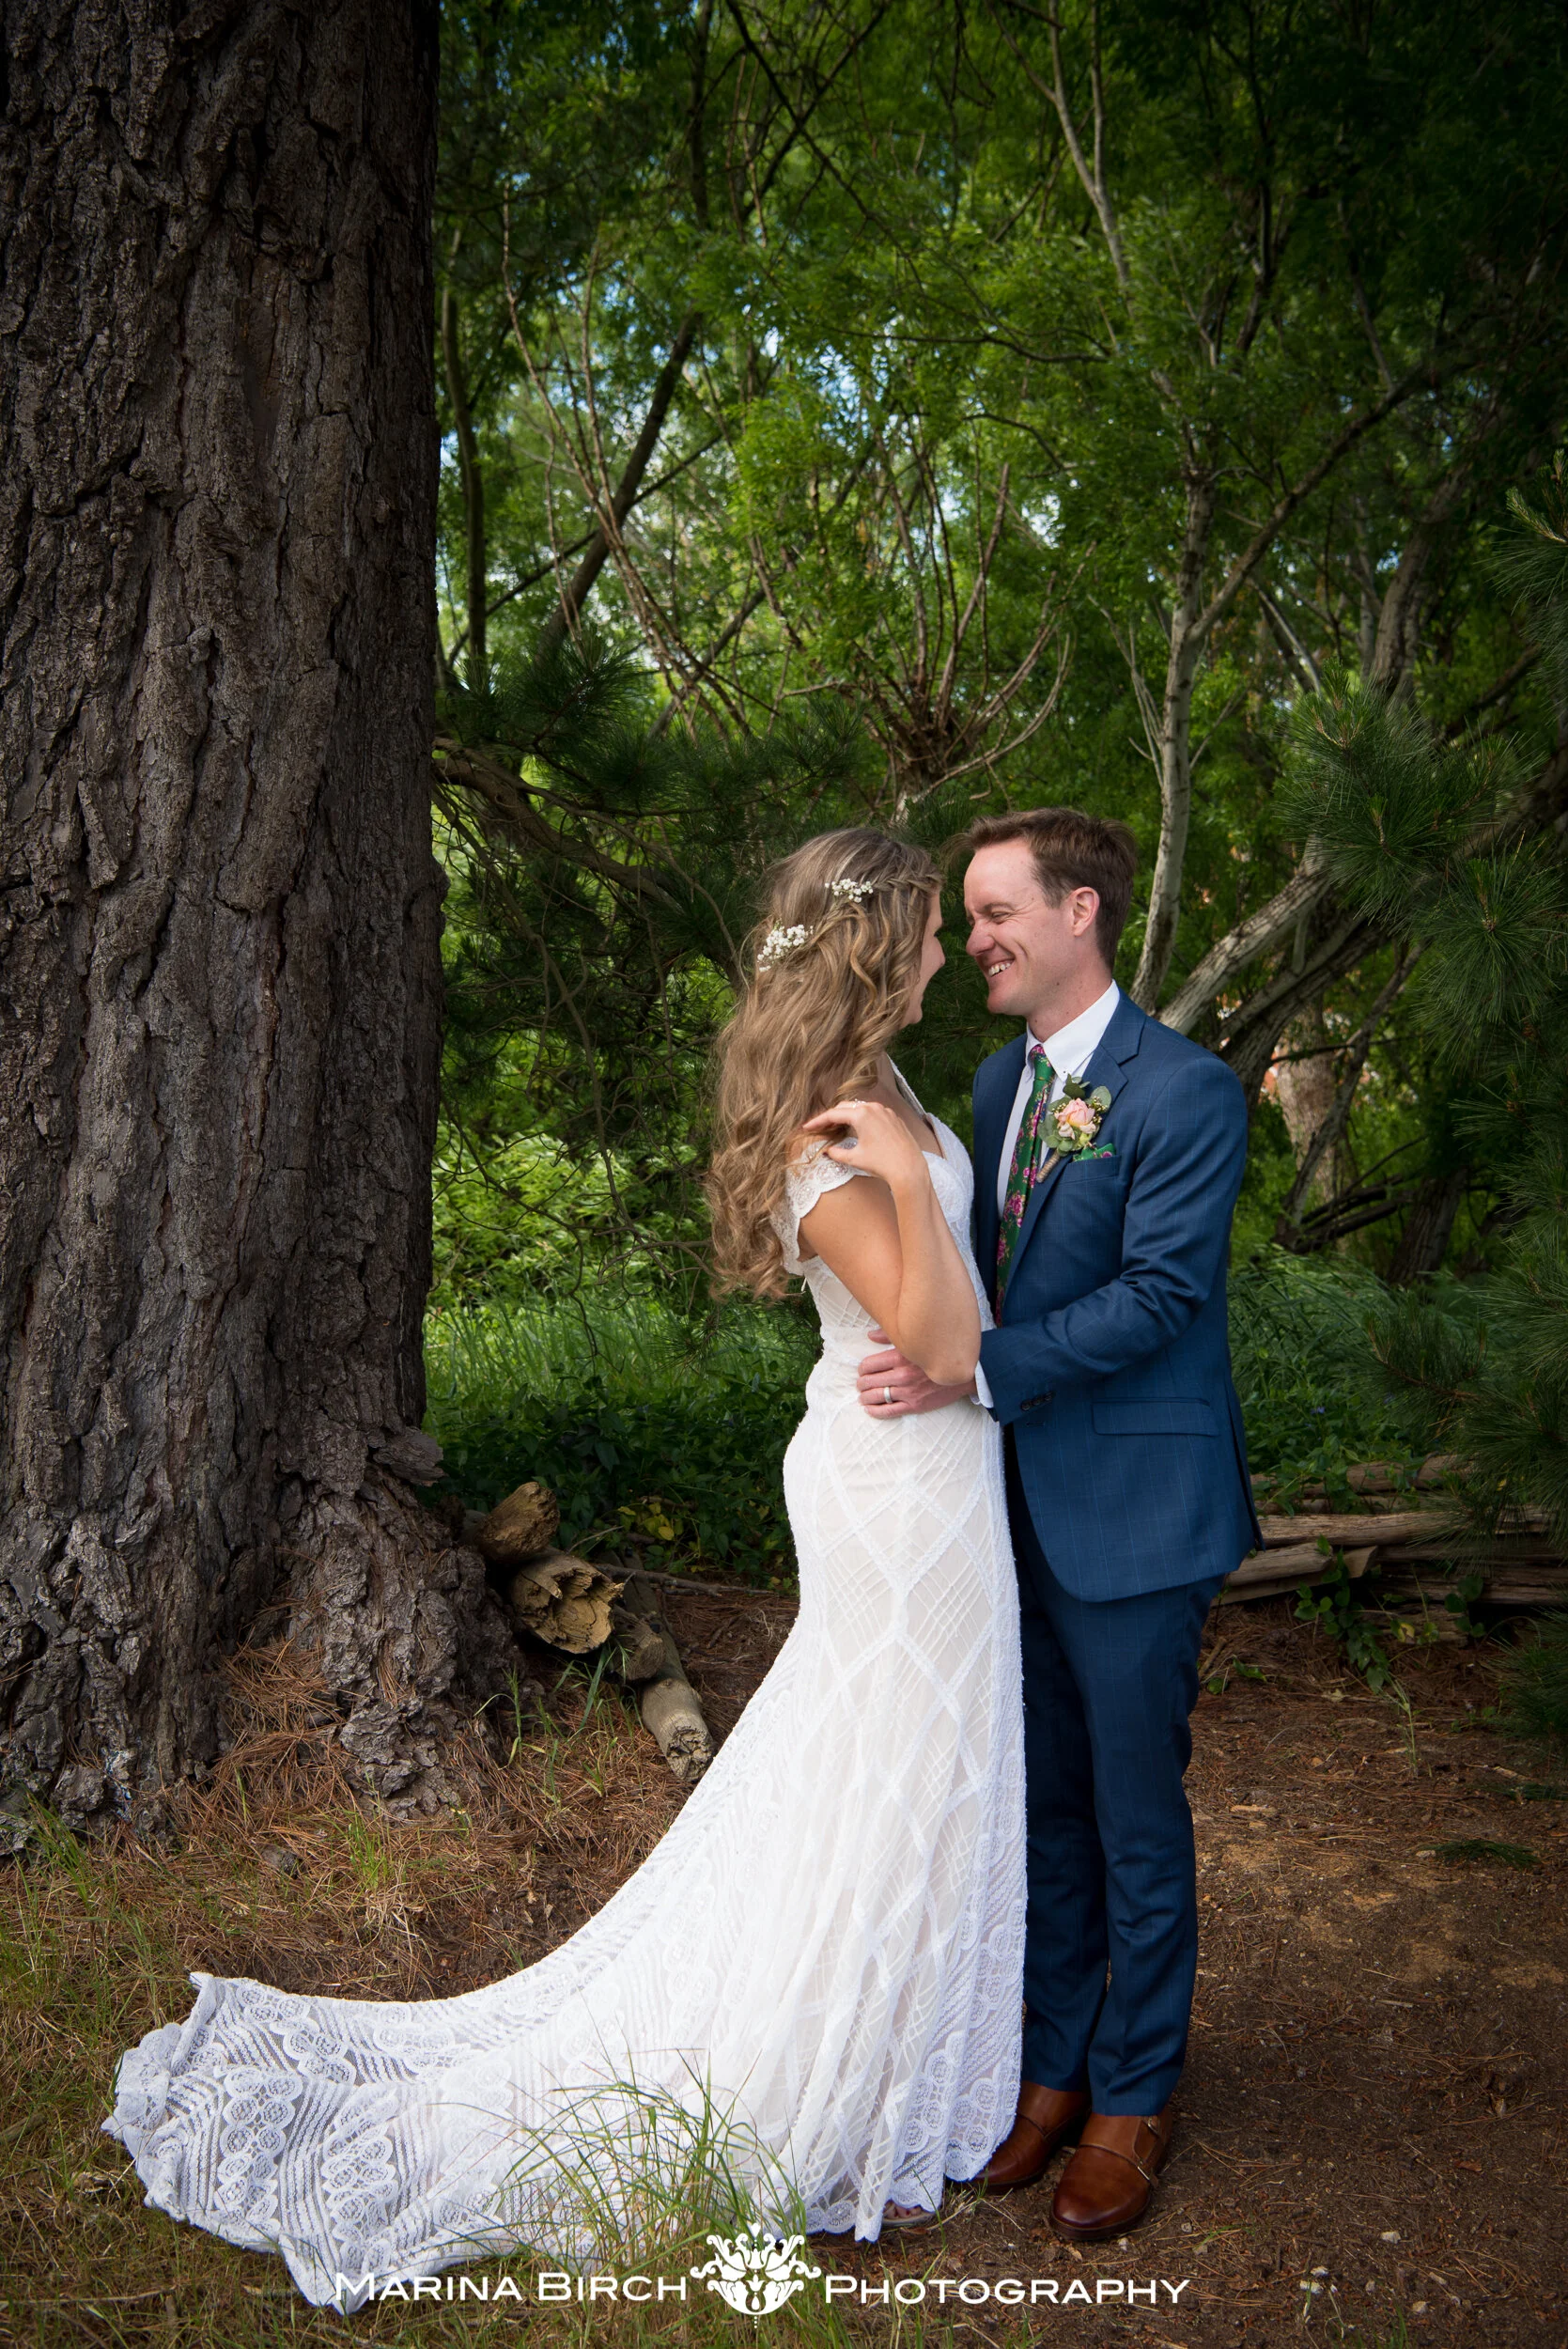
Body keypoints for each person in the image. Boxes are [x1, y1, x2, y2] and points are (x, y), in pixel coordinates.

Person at [103, 827, 1025, 2303]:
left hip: (939, 1475)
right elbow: (937, 1343)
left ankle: (891, 2051)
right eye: (925, 928)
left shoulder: (889, 1095)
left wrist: (930, 1196)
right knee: (886, 1766)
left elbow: (956, 1322)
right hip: (898, 1489)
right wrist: (916, 1186)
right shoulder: (845, 1126)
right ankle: (815, 2070)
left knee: (902, 1768)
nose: (942, 951)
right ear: (873, 945)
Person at [860, 807, 1259, 2243]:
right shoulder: (988, 1083)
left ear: (1081, 911)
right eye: (967, 920)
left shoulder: (1188, 1091)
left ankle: (1137, 2097)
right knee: (1045, 1808)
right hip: (1000, 1506)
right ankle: (1053, 2066)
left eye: (992, 914)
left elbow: (1162, 1297)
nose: (972, 942)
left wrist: (980, 1367)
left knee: (1138, 1818)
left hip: (1140, 1510)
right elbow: (981, 1275)